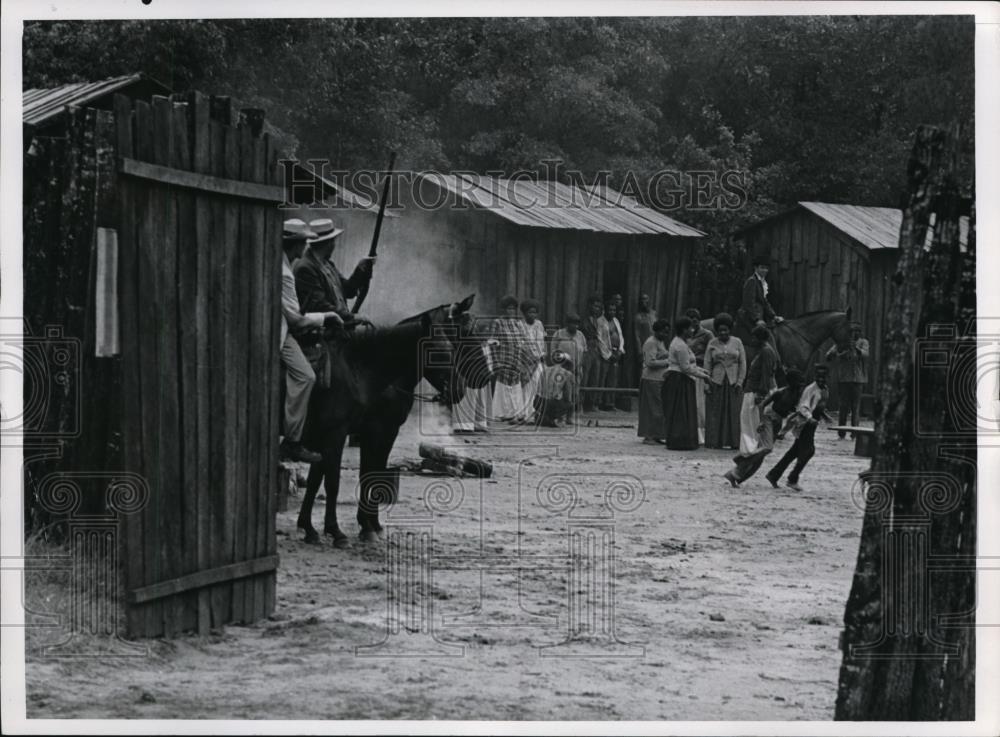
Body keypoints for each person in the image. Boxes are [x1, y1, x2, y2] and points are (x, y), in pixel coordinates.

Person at [278, 219, 344, 463]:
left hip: (289, 328)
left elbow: (345, 289)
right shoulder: (288, 273)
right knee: (306, 376)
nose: (304, 247)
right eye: (302, 242)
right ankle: (293, 440)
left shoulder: (322, 265)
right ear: (293, 244)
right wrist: (327, 317)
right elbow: (295, 319)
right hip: (285, 332)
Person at [724, 367, 806, 487]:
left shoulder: (797, 395)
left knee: (761, 456)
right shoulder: (780, 392)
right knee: (767, 447)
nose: (801, 386)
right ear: (791, 382)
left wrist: (784, 430)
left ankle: (736, 476)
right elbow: (762, 405)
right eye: (798, 383)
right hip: (768, 418)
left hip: (777, 422)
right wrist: (761, 421)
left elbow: (792, 414)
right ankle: (741, 459)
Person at [766, 365, 835, 491]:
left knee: (794, 452)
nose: (821, 379)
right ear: (814, 376)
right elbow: (803, 407)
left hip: (812, 423)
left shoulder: (825, 389)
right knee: (809, 451)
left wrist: (825, 416)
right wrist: (810, 418)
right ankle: (792, 478)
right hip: (805, 424)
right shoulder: (810, 389)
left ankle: (774, 475)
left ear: (828, 377)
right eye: (818, 377)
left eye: (823, 377)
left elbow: (818, 405)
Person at [724, 325, 779, 486]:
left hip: (756, 394)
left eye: (755, 337)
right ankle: (742, 464)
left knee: (752, 429)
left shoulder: (766, 351)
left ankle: (744, 459)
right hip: (754, 392)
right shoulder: (764, 350)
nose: (752, 340)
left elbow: (765, 375)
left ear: (761, 338)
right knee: (750, 428)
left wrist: (760, 395)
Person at [294, 218, 375, 326]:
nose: (334, 245)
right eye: (333, 241)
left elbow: (348, 290)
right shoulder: (305, 268)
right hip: (324, 335)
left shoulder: (328, 265)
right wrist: (353, 317)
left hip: (338, 331)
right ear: (329, 243)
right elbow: (320, 306)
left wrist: (360, 269)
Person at [662, 317, 710, 450]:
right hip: (679, 379)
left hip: (683, 378)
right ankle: (680, 441)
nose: (692, 330)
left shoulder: (683, 343)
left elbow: (690, 364)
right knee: (681, 412)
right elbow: (685, 368)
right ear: (684, 330)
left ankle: (683, 440)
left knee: (684, 411)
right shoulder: (680, 345)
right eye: (690, 328)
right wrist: (703, 376)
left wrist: (702, 370)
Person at [704, 312, 747, 450]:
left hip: (733, 382)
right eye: (720, 331)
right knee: (716, 412)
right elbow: (707, 363)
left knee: (734, 412)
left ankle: (734, 442)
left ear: (730, 330)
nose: (723, 333)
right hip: (716, 381)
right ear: (716, 331)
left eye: (726, 330)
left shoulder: (737, 342)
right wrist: (707, 382)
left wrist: (740, 381)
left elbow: (743, 363)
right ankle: (714, 441)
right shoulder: (712, 343)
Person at [491, 295, 531, 422]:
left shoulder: (517, 324)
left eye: (513, 309)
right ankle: (501, 413)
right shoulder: (497, 323)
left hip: (516, 359)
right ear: (503, 310)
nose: (511, 311)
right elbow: (492, 342)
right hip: (503, 359)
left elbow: (523, 342)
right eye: (508, 309)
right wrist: (495, 361)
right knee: (503, 387)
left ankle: (515, 413)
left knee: (515, 386)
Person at [825, 322, 869, 438]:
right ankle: (841, 433)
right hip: (844, 379)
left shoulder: (864, 342)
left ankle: (854, 433)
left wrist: (855, 347)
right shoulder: (841, 342)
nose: (855, 333)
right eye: (853, 331)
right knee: (843, 406)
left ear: (860, 332)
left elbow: (865, 355)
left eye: (857, 331)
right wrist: (837, 352)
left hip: (858, 380)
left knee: (856, 407)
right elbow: (829, 355)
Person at [452, 312, 493, 434]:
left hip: (474, 372)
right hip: (464, 372)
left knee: (474, 400)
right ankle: (462, 426)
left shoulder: (472, 337)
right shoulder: (459, 337)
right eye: (468, 322)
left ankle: (476, 424)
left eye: (471, 322)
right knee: (465, 400)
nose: (470, 325)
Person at [638, 318, 670, 444]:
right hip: (650, 379)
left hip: (659, 379)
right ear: (656, 331)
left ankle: (656, 434)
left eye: (667, 332)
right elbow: (650, 362)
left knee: (658, 408)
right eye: (663, 332)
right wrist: (668, 362)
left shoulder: (660, 342)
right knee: (651, 409)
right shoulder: (651, 342)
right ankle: (649, 435)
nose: (665, 335)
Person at [685, 308, 713, 443]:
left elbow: (712, 353)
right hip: (688, 369)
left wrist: (708, 372)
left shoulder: (707, 334)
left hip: (701, 369)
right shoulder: (686, 335)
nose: (693, 322)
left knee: (700, 404)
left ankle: (702, 434)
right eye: (691, 320)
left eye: (696, 320)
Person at [552, 313, 587, 423]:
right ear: (567, 324)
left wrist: (579, 366)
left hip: (576, 370)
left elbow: (584, 351)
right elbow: (553, 351)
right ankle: (559, 416)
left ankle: (570, 416)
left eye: (577, 324)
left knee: (573, 394)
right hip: (561, 369)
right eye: (572, 323)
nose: (575, 326)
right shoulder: (559, 334)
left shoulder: (580, 335)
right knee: (560, 393)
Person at [738, 254, 783, 333]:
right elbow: (748, 304)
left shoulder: (761, 282)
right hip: (749, 317)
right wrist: (756, 319)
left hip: (760, 315)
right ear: (756, 268)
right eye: (762, 268)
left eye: (766, 268)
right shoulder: (752, 281)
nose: (765, 270)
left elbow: (765, 302)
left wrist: (774, 316)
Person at [520, 298, 547, 423]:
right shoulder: (520, 325)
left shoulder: (539, 324)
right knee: (527, 388)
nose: (532, 315)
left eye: (535, 312)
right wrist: (529, 357)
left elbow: (542, 342)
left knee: (539, 386)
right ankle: (525, 414)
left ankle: (536, 413)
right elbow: (521, 344)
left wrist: (542, 354)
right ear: (524, 313)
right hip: (526, 360)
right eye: (530, 312)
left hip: (539, 359)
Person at [534, 351, 576, 427]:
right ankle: (561, 419)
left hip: (538, 402)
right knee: (570, 404)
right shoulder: (567, 374)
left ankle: (544, 416)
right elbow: (567, 396)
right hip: (551, 404)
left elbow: (538, 389)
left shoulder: (545, 370)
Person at [599, 300, 626, 410]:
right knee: (602, 378)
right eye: (610, 310)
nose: (612, 312)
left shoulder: (616, 321)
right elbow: (600, 339)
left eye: (614, 310)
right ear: (605, 310)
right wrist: (609, 355)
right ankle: (599, 403)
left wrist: (620, 350)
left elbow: (621, 336)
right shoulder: (600, 321)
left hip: (616, 353)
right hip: (606, 354)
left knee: (613, 379)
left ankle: (610, 403)